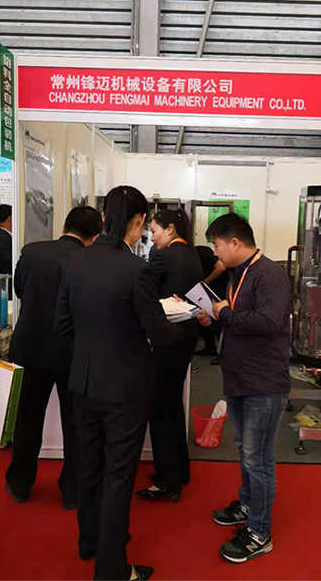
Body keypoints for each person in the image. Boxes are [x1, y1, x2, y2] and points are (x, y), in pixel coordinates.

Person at [55, 186, 182, 581]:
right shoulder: (136, 269)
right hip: (125, 388)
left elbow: (63, 325)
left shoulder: (76, 261)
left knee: (89, 466)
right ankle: (112, 569)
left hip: (83, 382)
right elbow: (158, 333)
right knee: (118, 475)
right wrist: (178, 321)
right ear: (138, 221)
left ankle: (89, 542)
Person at [197, 213, 291, 564]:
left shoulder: (270, 274)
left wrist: (224, 314)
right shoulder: (239, 273)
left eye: (217, 245)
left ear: (235, 242)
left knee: (258, 457)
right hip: (240, 377)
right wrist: (215, 316)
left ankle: (259, 532)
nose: (216, 252)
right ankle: (249, 504)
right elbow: (237, 318)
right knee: (244, 449)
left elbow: (269, 321)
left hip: (263, 382)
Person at [5, 206, 102, 509]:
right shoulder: (90, 261)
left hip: (31, 349)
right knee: (75, 424)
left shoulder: (32, 253)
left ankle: (19, 484)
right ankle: (72, 491)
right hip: (72, 353)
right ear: (94, 236)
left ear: (63, 227)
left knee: (27, 419)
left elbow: (20, 290)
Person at [135, 209, 203, 502]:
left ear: (171, 229)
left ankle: (167, 479)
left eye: (155, 230)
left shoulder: (163, 256)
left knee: (161, 408)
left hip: (168, 339)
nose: (152, 237)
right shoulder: (192, 255)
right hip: (187, 338)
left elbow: (142, 290)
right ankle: (179, 470)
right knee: (173, 405)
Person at [194, 245, 227, 360]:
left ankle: (222, 354)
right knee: (205, 319)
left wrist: (206, 282)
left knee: (216, 320)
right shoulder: (197, 252)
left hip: (217, 288)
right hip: (209, 288)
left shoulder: (202, 252)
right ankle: (210, 348)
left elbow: (220, 267)